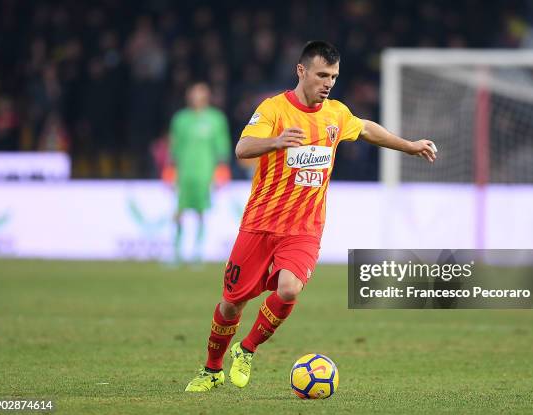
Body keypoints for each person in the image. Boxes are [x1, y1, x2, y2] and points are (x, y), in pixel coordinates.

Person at [185, 41, 436, 392]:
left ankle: (247, 349)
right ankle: (212, 369)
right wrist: (276, 141)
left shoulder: (335, 114)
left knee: (289, 288)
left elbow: (365, 128)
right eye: (321, 75)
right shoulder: (273, 109)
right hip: (260, 224)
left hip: (304, 227)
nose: (328, 82)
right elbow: (242, 148)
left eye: (333, 76)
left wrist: (409, 145)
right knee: (231, 304)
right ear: (301, 71)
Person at [169, 82, 231, 264]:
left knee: (201, 212)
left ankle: (198, 253)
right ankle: (177, 252)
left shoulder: (216, 119)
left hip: (205, 173)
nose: (196, 98)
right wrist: (170, 171)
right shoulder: (180, 119)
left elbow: (222, 147)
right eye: (194, 94)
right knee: (179, 212)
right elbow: (174, 147)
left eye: (200, 94)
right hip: (184, 172)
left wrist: (221, 172)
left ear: (206, 97)